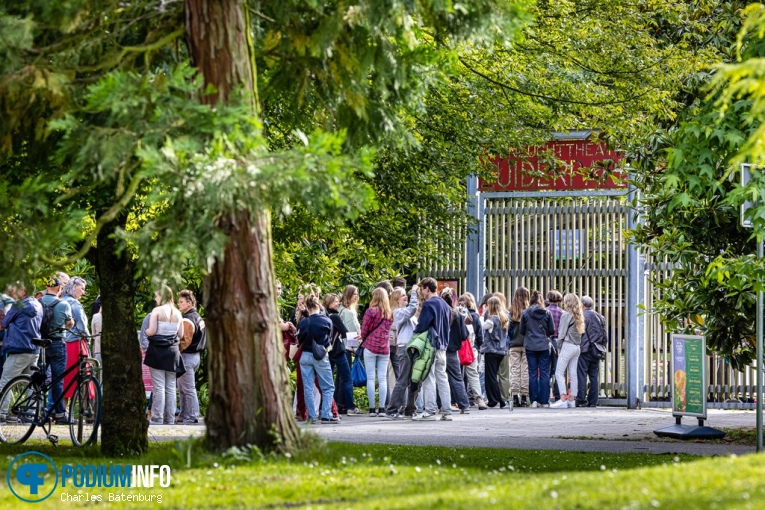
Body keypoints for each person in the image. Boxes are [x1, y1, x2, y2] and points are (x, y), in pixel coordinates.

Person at [412, 277, 453, 421]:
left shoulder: (429, 304)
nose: (421, 292)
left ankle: (429, 411)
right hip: (443, 346)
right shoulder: (445, 305)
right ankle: (447, 411)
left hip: (431, 345)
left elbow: (421, 326)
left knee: (429, 379)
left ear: (427, 288)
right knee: (442, 378)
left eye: (422, 289)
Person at [143, 285, 185, 425]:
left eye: (156, 295)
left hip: (157, 352)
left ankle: (157, 417)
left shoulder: (157, 311)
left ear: (162, 295)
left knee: (159, 386)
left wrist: (147, 331)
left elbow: (152, 331)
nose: (155, 298)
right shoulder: (178, 312)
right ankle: (170, 418)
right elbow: (181, 334)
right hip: (173, 352)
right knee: (171, 386)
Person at [0, 283, 43, 419]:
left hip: (18, 348)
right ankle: (29, 414)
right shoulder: (39, 305)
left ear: (24, 291)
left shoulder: (18, 305)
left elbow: (5, 323)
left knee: (6, 381)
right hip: (34, 350)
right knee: (30, 384)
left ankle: (1, 413)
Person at [297, 293, 337, 424]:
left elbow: (300, 339)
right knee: (328, 387)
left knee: (307, 388)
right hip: (320, 355)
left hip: (305, 356)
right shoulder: (327, 320)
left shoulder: (303, 322)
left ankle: (311, 417)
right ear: (318, 305)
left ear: (307, 307)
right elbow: (329, 339)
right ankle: (326, 414)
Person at [40, 277, 74, 424]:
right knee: (57, 380)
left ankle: (40, 411)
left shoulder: (38, 302)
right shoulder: (64, 304)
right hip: (57, 343)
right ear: (60, 288)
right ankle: (60, 414)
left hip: (41, 344)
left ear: (47, 287)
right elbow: (69, 323)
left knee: (40, 379)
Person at [385, 285, 420, 419]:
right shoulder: (398, 313)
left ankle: (410, 408)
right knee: (403, 380)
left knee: (415, 380)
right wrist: (414, 294)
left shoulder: (405, 312)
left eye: (406, 294)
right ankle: (392, 409)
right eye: (402, 295)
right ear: (396, 299)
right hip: (404, 348)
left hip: (412, 347)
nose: (406, 296)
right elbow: (412, 309)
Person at [324, 293, 360, 415]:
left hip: (327, 351)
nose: (338, 303)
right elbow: (345, 333)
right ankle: (349, 406)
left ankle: (328, 406)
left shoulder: (323, 315)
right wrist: (356, 344)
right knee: (347, 378)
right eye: (335, 302)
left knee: (328, 380)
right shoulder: (335, 316)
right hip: (338, 351)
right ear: (329, 303)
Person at [359, 287, 393, 416]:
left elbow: (364, 330)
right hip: (384, 348)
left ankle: (372, 409)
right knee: (383, 379)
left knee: (371, 378)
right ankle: (382, 408)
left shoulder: (370, 311)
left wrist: (362, 337)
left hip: (371, 346)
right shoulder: (389, 313)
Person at [520, 290, 554, 408]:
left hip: (530, 346)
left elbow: (522, 331)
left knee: (532, 373)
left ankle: (533, 400)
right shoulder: (547, 313)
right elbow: (552, 330)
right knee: (544, 373)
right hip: (544, 346)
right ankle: (544, 401)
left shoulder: (525, 313)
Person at [551, 293, 584, 409]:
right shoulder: (579, 315)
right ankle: (572, 399)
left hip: (567, 345)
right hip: (577, 347)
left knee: (559, 373)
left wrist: (558, 347)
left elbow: (561, 333)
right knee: (573, 374)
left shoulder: (566, 315)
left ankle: (563, 399)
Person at [178, 289, 206, 424]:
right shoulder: (198, 317)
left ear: (189, 303)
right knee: (183, 388)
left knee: (187, 388)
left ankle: (193, 415)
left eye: (181, 302)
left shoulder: (188, 319)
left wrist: (176, 351)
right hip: (196, 356)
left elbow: (185, 340)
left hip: (187, 356)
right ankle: (184, 415)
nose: (179, 304)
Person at [441, 288, 471, 414]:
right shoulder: (457, 314)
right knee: (457, 378)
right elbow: (464, 335)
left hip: (440, 348)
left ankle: (440, 404)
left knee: (439, 378)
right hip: (453, 351)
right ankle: (464, 405)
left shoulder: (440, 314)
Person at [61, 277, 91, 401]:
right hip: (76, 343)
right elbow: (82, 326)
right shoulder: (75, 304)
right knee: (85, 374)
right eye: (82, 288)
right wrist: (88, 338)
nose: (83, 292)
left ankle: (64, 410)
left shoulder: (60, 301)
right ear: (74, 287)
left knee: (66, 376)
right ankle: (86, 409)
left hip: (62, 342)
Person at [457, 293, 487, 410]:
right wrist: (478, 347)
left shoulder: (456, 314)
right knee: (473, 375)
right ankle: (479, 399)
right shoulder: (475, 317)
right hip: (471, 349)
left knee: (458, 375)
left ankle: (461, 401)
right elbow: (480, 335)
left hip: (458, 349)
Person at [576, 296, 606, 408]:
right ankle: (593, 401)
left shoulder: (581, 316)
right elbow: (605, 335)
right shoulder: (600, 317)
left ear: (583, 305)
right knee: (594, 376)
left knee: (582, 374)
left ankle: (581, 399)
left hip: (584, 349)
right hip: (596, 350)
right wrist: (602, 346)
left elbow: (579, 333)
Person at [480, 296, 509, 408]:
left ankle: (500, 400)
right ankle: (493, 400)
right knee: (493, 375)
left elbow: (481, 326)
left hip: (491, 350)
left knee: (490, 377)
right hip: (501, 351)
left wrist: (482, 314)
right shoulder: (504, 319)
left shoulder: (491, 321)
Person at [508, 287, 530, 407]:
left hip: (514, 344)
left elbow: (509, 330)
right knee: (525, 370)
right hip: (526, 344)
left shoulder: (511, 311)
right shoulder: (528, 311)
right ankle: (525, 396)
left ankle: (515, 396)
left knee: (514, 370)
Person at [546, 290, 564, 402]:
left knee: (545, 369)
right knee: (558, 370)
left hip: (547, 341)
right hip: (558, 342)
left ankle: (546, 396)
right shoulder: (562, 313)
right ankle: (558, 396)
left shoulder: (545, 311)